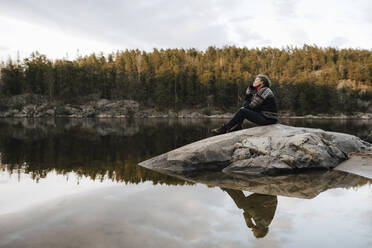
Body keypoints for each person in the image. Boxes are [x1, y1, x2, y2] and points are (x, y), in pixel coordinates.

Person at [211, 74, 278, 135]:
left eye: (256, 80)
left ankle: (224, 129)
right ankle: (237, 126)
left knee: (242, 111)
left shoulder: (265, 90)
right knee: (243, 110)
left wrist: (248, 96)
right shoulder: (259, 91)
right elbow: (246, 106)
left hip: (268, 119)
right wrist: (248, 95)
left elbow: (251, 106)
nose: (254, 81)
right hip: (266, 117)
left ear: (262, 82)